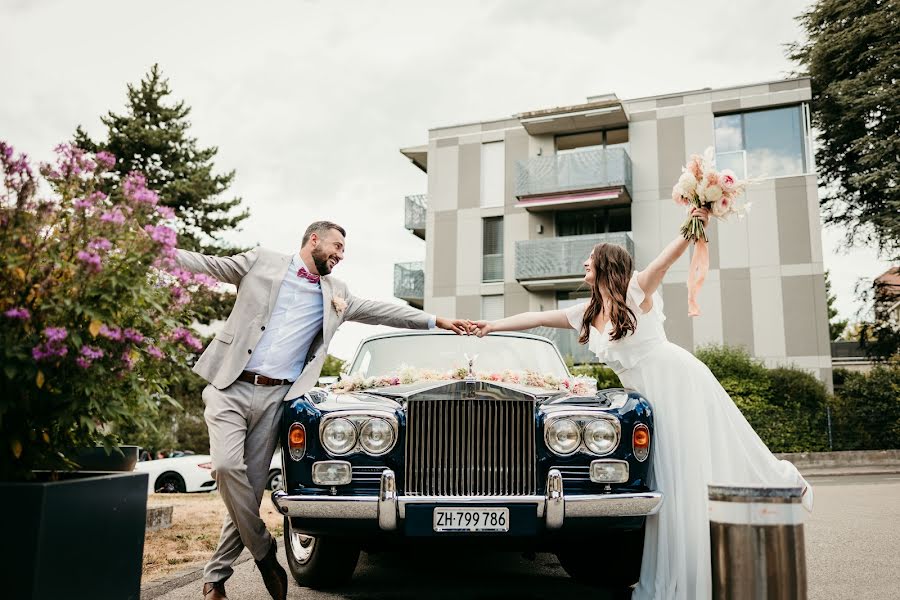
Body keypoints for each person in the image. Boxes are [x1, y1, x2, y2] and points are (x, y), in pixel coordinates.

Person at [472, 207, 812, 599]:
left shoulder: (637, 289)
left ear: (605, 266)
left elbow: (667, 259)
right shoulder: (586, 312)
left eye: (590, 258)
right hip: (645, 399)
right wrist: (490, 326)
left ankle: (783, 481)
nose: (584, 263)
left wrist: (696, 220)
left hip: (677, 380)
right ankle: (681, 573)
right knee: (667, 479)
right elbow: (534, 316)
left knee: (704, 456)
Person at [175, 221, 471, 600]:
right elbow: (207, 264)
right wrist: (157, 250)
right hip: (230, 385)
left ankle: (215, 579)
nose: (340, 255)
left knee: (247, 492)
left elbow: (382, 312)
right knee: (227, 469)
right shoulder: (261, 262)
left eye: (343, 250)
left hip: (276, 399)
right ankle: (265, 553)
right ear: (314, 239)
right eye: (337, 245)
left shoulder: (338, 292)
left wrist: (437, 321)